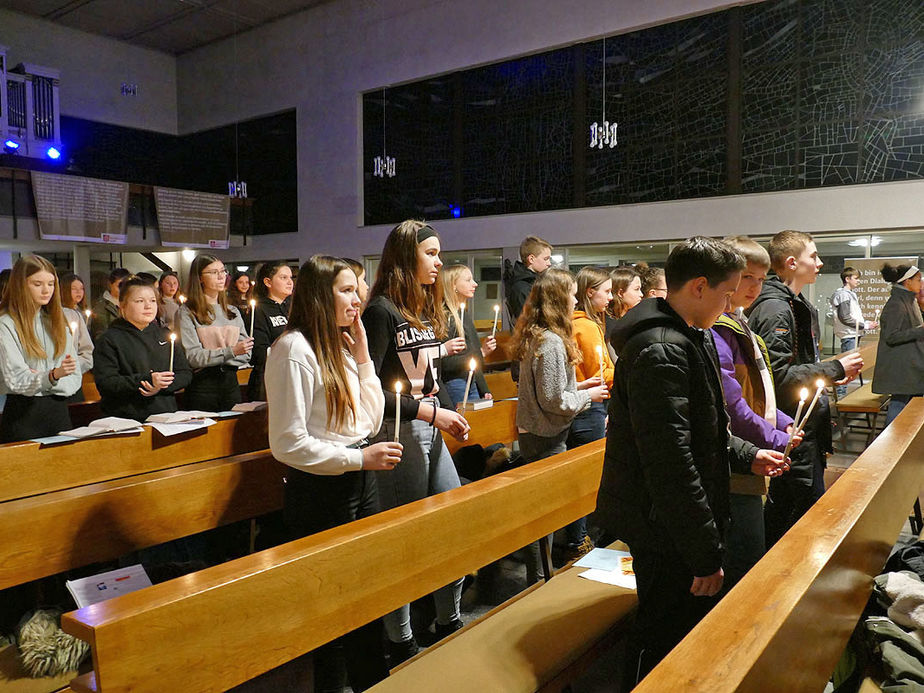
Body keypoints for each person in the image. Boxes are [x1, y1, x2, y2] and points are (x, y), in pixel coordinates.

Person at [595, 237, 788, 686]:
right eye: (726, 294)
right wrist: (703, 553)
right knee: (661, 635)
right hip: (665, 528)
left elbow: (705, 427)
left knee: (682, 632)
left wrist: (748, 454)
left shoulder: (688, 335)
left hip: (674, 523)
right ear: (699, 286)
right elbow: (671, 462)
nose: (729, 305)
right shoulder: (661, 348)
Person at [266, 255, 401, 692]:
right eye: (346, 289)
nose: (357, 297)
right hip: (321, 490)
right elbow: (287, 443)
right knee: (331, 613)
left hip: (359, 480)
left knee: (367, 600)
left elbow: (370, 418)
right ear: (320, 295)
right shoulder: (293, 349)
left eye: (357, 288)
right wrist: (359, 459)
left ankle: (372, 683)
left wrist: (363, 358)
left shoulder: (342, 344)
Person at [362, 220, 470, 664]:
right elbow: (369, 391)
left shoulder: (423, 311)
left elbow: (429, 377)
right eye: (430, 253)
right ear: (406, 256)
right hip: (397, 432)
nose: (439, 261)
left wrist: (450, 413)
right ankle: (400, 637)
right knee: (401, 538)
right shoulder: (381, 311)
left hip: (431, 426)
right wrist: (430, 412)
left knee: (453, 523)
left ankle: (449, 618)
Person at [747, 230, 863, 547]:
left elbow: (798, 364)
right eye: (813, 256)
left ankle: (768, 576)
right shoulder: (775, 308)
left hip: (802, 425)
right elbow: (779, 377)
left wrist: (830, 375)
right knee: (803, 515)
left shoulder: (793, 303)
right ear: (791, 262)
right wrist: (833, 367)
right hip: (792, 427)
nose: (820, 263)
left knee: (786, 508)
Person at [709, 236, 801, 589]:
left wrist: (784, 422)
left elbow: (761, 391)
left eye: (761, 279)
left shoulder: (741, 323)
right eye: (747, 277)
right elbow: (732, 403)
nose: (753, 287)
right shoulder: (718, 331)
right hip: (736, 458)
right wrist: (777, 436)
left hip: (754, 450)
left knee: (752, 546)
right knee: (745, 556)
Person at [0, 255, 82, 442]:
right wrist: (52, 375)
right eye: (37, 284)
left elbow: (74, 376)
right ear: (21, 285)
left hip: (58, 413)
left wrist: (49, 378)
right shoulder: (6, 324)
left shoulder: (55, 321)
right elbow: (16, 379)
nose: (46, 290)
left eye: (51, 284)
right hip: (24, 415)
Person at [93, 275, 192, 421]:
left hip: (166, 415)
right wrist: (146, 381)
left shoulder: (165, 335)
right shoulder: (109, 339)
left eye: (152, 301)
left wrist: (161, 385)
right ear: (122, 305)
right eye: (140, 301)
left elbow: (185, 374)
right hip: (126, 418)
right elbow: (107, 383)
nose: (148, 306)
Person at [565, 266, 615, 559]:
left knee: (578, 480)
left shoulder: (574, 323)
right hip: (590, 407)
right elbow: (600, 372)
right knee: (585, 481)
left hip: (582, 404)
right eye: (606, 292)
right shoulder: (585, 326)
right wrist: (622, 371)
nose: (609, 298)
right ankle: (579, 540)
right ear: (589, 293)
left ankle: (577, 537)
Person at [178, 255, 253, 411]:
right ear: (199, 278)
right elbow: (193, 357)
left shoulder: (232, 311)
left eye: (222, 271)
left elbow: (246, 354)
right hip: (203, 386)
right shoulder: (187, 312)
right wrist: (231, 352)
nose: (221, 277)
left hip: (231, 382)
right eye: (213, 272)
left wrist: (216, 356)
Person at [873, 263, 924, 425]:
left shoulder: (908, 300)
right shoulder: (897, 303)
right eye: (918, 279)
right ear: (907, 282)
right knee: (898, 404)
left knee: (905, 403)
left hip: (908, 365)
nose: (921, 283)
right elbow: (892, 336)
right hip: (901, 367)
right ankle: (891, 446)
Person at [439, 263, 497, 406]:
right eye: (468, 280)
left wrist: (483, 388)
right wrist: (479, 353)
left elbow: (472, 357)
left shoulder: (463, 313)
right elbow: (444, 363)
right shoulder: (446, 317)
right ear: (453, 285)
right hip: (455, 383)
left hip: (471, 381)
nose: (475, 284)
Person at [247, 261, 294, 401]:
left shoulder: (294, 307)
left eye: (291, 277)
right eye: (283, 278)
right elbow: (259, 351)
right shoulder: (259, 310)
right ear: (268, 282)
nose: (290, 282)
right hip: (268, 378)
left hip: (291, 374)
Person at [504, 235, 553, 323]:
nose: (549, 263)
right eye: (546, 259)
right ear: (531, 259)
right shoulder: (521, 288)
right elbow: (529, 323)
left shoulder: (536, 282)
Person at [831, 267, 877, 355]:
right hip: (849, 335)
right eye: (856, 278)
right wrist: (865, 325)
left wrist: (865, 323)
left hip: (852, 334)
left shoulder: (849, 294)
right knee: (850, 362)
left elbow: (850, 316)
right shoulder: (843, 295)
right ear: (847, 279)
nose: (858, 281)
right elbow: (845, 317)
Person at [604, 265, 643, 361]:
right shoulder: (610, 323)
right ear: (620, 293)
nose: (641, 294)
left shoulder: (628, 319)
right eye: (637, 289)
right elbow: (617, 362)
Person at [89, 267, 130, 340]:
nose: (123, 289)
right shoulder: (101, 308)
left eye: (126, 286)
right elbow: (100, 336)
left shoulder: (130, 303)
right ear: (110, 284)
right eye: (119, 286)